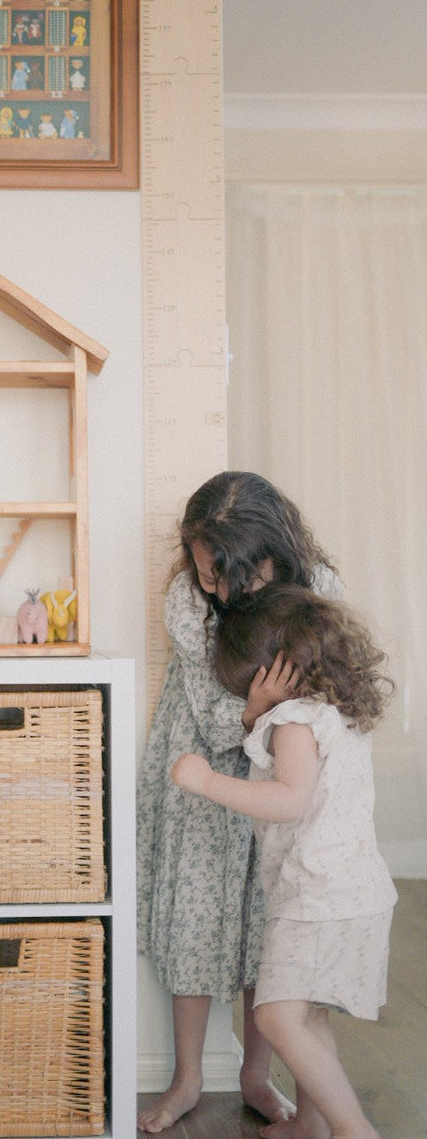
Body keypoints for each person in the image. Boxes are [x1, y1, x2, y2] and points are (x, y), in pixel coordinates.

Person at [137, 471, 340, 1133]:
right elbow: (210, 710)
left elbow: (326, 689)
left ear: (274, 552)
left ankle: (256, 1074)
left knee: (266, 922)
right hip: (201, 762)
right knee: (194, 919)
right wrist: (256, 710)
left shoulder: (319, 589)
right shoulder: (186, 601)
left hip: (284, 770)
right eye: (208, 577)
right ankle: (187, 1077)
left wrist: (271, 716)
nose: (222, 593)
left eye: (236, 577)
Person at [171, 583, 396, 1139]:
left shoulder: (294, 720)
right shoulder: (333, 712)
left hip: (317, 896)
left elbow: (290, 799)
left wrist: (208, 781)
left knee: (276, 1017)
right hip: (355, 894)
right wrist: (257, 720)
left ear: (270, 670)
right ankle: (311, 1124)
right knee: (307, 1019)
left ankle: (353, 1130)